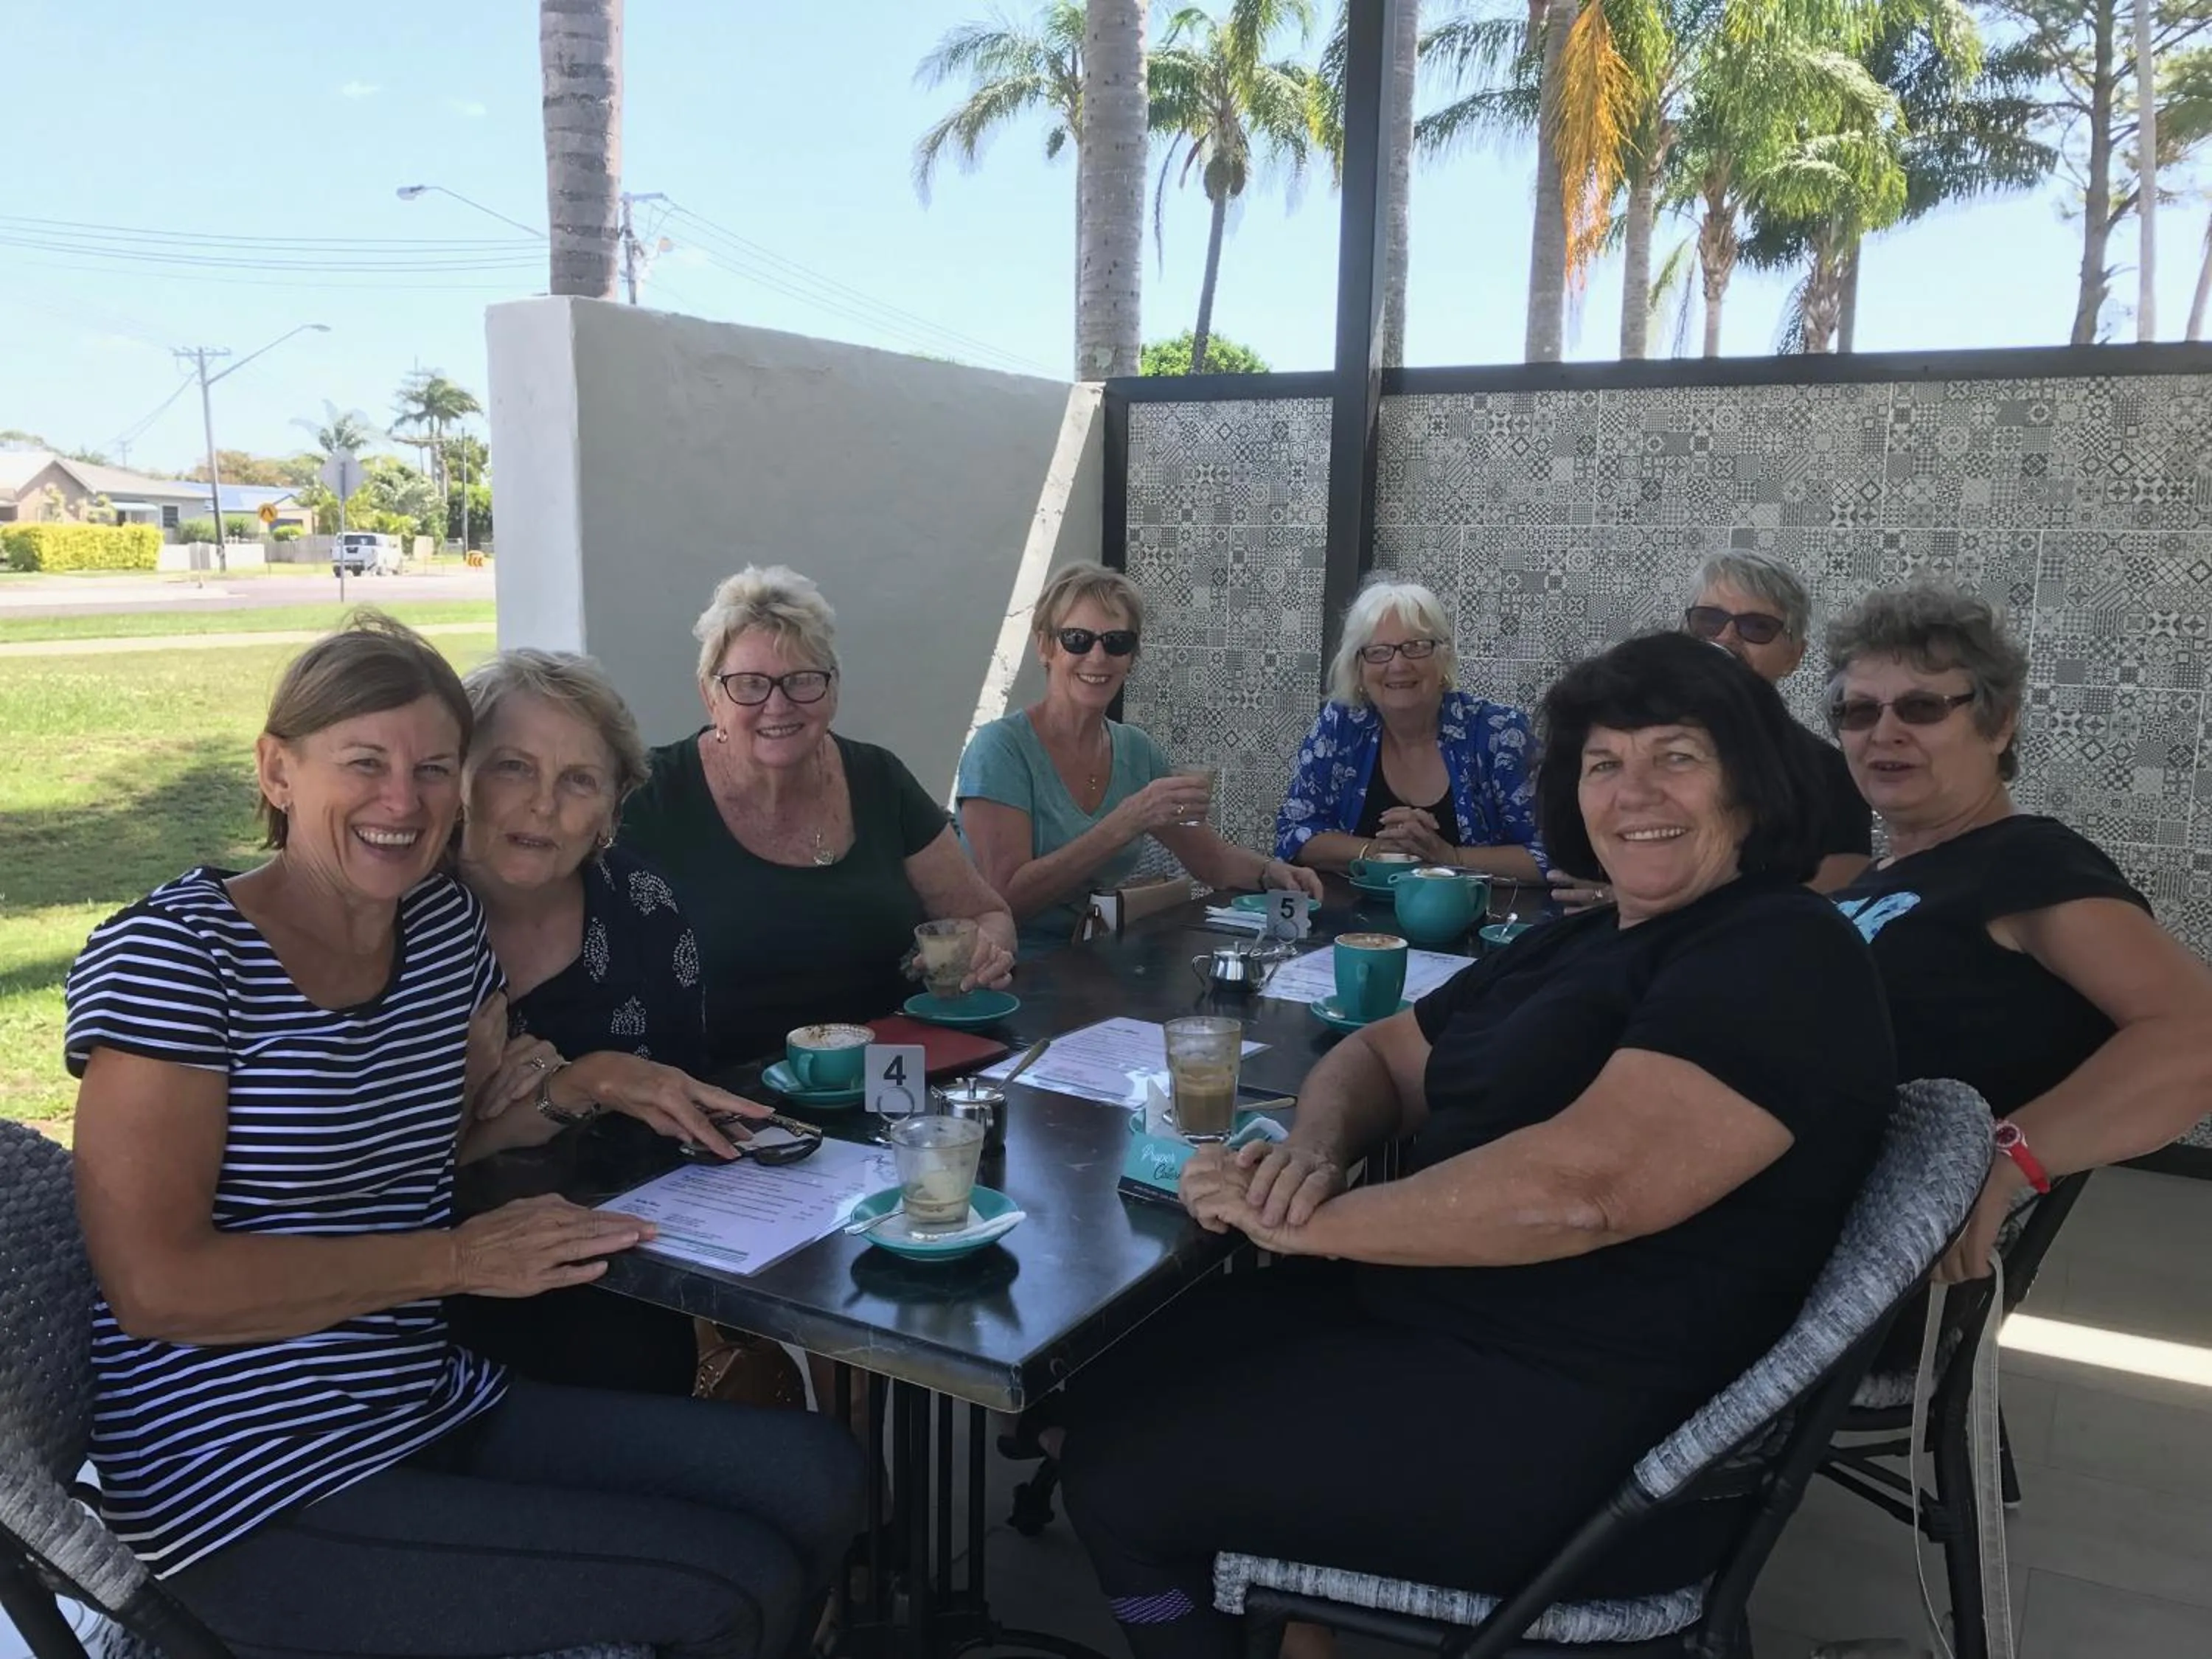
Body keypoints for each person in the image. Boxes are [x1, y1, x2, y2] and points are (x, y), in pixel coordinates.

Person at [1052, 631, 1897, 1659]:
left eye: (1676, 755)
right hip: (1450, 1328)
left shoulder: (1779, 949)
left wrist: (1314, 1222)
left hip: (1596, 1432)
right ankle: (1284, 1622)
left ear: (1752, 784)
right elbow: (1381, 1055)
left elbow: (1582, 1191)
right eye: (1602, 763)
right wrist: (1314, 1149)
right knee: (1101, 1371)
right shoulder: (1585, 936)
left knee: (1126, 1476)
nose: (1635, 792)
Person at [65, 614, 865, 1658]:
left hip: (419, 1397)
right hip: (244, 1472)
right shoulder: (178, 955)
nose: (404, 801)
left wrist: (583, 1082)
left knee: (822, 1473)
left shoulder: (439, 934)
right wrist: (457, 1259)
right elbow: (156, 1285)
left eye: (433, 767)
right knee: (730, 1586)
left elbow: (425, 1146)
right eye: (364, 762)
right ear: (275, 770)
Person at [1823, 583, 2212, 1283]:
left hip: (1843, 1258)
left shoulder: (2023, 860)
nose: (1883, 732)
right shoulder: (1870, 876)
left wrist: (2013, 1159)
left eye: (1921, 707)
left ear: (1998, 724)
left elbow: (2196, 1033)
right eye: (1857, 711)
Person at [448, 647, 766, 1397]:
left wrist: (554, 1094)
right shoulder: (397, 916)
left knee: (630, 1351)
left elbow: (673, 1105)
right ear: (458, 773)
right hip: (421, 1281)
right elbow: (365, 1178)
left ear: (613, 810)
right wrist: (537, 1094)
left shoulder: (642, 909)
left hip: (609, 1259)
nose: (543, 804)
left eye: (579, 780)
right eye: (512, 767)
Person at [622, 566, 1018, 1071]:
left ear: (832, 691)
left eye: (802, 680)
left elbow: (989, 915)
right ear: (710, 696)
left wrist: (985, 952)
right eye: (749, 685)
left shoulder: (879, 779)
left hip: (888, 1083)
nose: (778, 705)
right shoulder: (650, 797)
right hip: (723, 1098)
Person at [958, 563, 1324, 954]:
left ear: (1132, 656)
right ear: (1045, 646)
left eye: (1116, 642)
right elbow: (1004, 901)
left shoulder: (1136, 750)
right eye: (1078, 640)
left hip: (1098, 962)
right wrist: (1126, 822)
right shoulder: (1000, 749)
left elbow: (1211, 861)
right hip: (1009, 972)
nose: (1098, 657)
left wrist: (1272, 872)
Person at [1551, 552, 1869, 911]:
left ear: (1794, 655)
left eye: (1757, 627)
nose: (1727, 638)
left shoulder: (1828, 772)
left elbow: (1838, 892)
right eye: (1708, 620)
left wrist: (1639, 902)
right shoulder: (1615, 747)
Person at [1275, 577, 1545, 881]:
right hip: (1354, 924)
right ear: (1358, 668)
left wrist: (1449, 858)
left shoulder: (1500, 733)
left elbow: (1551, 855)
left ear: (1443, 659)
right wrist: (1375, 852)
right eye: (1378, 651)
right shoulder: (1341, 726)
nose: (1399, 665)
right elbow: (1293, 833)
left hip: (1478, 923)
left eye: (1416, 647)